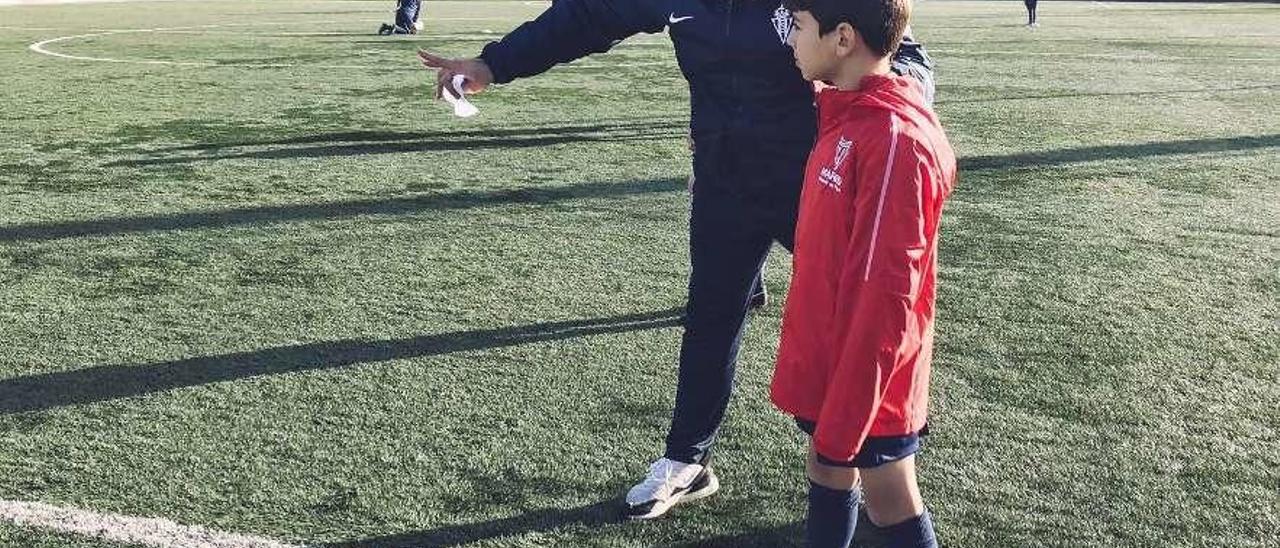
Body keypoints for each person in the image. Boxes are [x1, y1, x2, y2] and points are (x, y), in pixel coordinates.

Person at [416, 0, 934, 520]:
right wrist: (492, 64)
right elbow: (587, 16)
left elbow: (892, 53)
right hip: (724, 177)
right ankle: (688, 459)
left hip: (820, 185)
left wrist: (875, 129)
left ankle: (886, 464)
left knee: (865, 317)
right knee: (710, 316)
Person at [770, 0, 955, 544]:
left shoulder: (895, 142)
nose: (791, 41)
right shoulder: (846, 114)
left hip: (870, 378)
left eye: (799, 27)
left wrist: (849, 413)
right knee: (826, 469)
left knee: (890, 497)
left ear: (843, 38)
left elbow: (885, 300)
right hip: (836, 362)